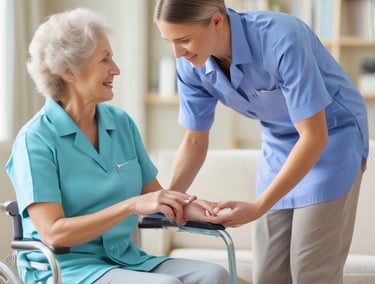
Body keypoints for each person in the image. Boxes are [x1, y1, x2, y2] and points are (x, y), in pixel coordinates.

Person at [5, 8, 229, 284]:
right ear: (69, 71)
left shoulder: (120, 124)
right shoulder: (35, 139)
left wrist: (211, 210)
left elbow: (157, 198)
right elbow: (54, 232)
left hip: (126, 259)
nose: (116, 69)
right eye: (104, 59)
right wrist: (131, 206)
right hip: (66, 269)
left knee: (213, 275)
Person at [153, 0, 369, 283]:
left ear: (217, 21)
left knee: (310, 269)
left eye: (184, 39)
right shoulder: (191, 66)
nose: (178, 53)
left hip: (332, 138)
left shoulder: (281, 38)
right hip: (279, 142)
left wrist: (258, 206)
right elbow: (194, 140)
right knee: (268, 273)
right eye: (169, 41)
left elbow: (314, 136)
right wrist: (170, 200)